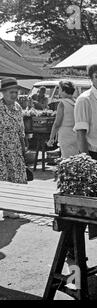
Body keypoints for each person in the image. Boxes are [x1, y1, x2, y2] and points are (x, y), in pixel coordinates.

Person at [0, 78, 27, 219]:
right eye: (11, 92)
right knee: (3, 178)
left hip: (14, 148)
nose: (14, 95)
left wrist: (23, 146)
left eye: (16, 92)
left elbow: (21, 130)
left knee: (14, 178)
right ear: (3, 92)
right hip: (1, 148)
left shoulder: (18, 107)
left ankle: (9, 209)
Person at [47, 81, 78, 158]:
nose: (59, 92)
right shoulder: (76, 102)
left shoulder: (62, 103)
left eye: (59, 89)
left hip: (65, 135)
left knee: (66, 159)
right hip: (76, 134)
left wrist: (51, 138)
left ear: (64, 90)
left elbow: (57, 123)